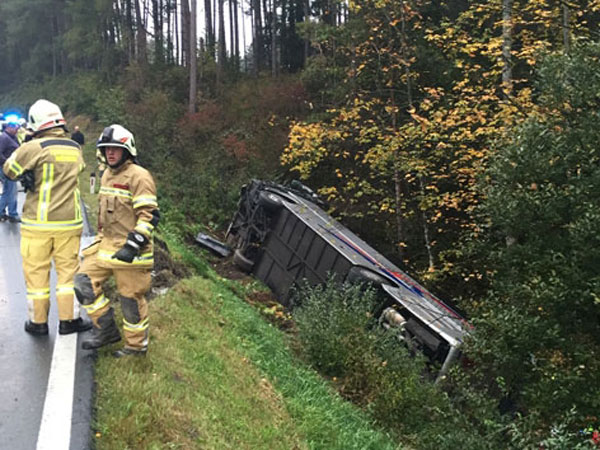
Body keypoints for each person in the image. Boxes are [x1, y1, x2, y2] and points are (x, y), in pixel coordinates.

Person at [3, 99, 92, 336]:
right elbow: (80, 169)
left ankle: (38, 323)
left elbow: (9, 171)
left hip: (37, 225)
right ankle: (69, 321)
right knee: (68, 275)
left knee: (37, 275)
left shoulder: (32, 148)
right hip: (69, 224)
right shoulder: (75, 148)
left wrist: (29, 169)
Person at [74, 124, 159, 357]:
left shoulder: (139, 177)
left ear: (127, 150)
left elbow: (150, 216)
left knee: (130, 300)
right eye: (106, 149)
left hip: (132, 251)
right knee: (83, 282)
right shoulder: (107, 175)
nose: (110, 153)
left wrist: (133, 244)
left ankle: (136, 347)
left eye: (115, 149)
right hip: (106, 246)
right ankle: (106, 329)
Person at [0, 117, 21, 222]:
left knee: (7, 191)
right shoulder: (4, 138)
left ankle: (1, 212)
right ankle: (12, 214)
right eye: (14, 127)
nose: (17, 129)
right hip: (6, 168)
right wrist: (7, 163)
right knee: (11, 191)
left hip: (11, 168)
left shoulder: (13, 137)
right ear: (8, 127)